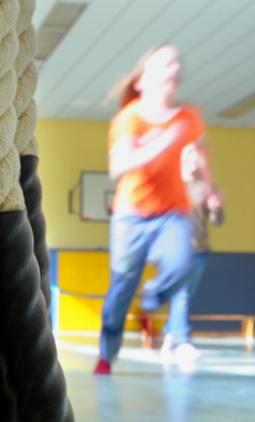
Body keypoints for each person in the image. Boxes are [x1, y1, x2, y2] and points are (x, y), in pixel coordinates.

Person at [94, 46, 221, 375]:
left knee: (183, 262)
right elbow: (118, 165)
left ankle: (154, 294)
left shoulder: (188, 118)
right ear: (142, 80)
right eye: (164, 63)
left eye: (176, 63)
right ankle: (107, 354)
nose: (173, 68)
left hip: (172, 213)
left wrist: (208, 188)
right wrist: (163, 141)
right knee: (121, 290)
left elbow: (201, 150)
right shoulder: (130, 118)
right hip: (131, 215)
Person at [159, 143, 224, 368]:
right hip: (176, 249)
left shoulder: (207, 187)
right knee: (183, 294)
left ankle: (169, 339)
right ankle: (182, 341)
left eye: (195, 155)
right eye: (187, 155)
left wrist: (216, 208)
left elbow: (218, 222)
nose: (192, 159)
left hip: (200, 249)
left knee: (185, 295)